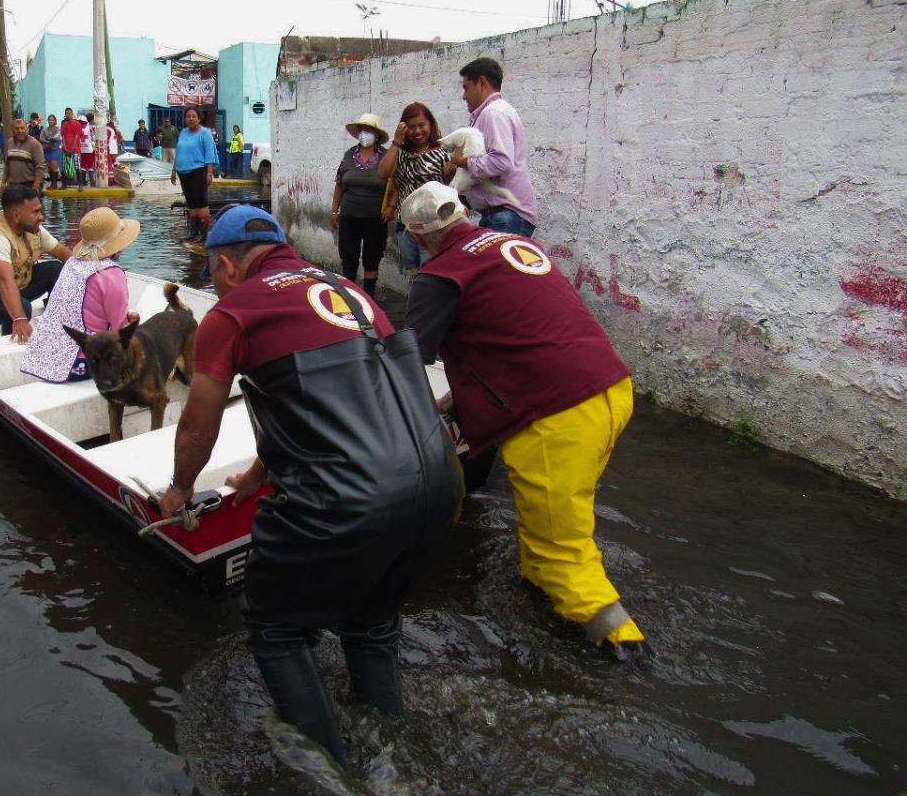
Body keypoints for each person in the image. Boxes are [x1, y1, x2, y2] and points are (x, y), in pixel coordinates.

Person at [156, 205, 463, 765]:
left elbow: (200, 422)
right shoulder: (351, 292)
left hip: (350, 499)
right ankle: (388, 749)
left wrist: (178, 489)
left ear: (226, 265)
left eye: (213, 276)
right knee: (370, 624)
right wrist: (256, 477)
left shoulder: (234, 314)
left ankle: (331, 771)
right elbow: (327, 407)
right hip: (437, 482)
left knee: (275, 627)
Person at [401, 181, 645, 656]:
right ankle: (537, 585)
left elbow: (408, 364)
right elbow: (514, 333)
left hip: (556, 415)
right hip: (608, 388)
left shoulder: (440, 276)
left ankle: (622, 648)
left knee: (564, 550)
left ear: (417, 236)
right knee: (552, 517)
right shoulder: (513, 244)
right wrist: (455, 401)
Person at [21, 207, 140, 382]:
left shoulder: (72, 263)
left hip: (44, 357)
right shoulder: (112, 274)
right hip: (81, 364)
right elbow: (120, 330)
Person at [0, 184, 74, 342]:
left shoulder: (32, 228)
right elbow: (5, 281)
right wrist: (19, 318)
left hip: (19, 285)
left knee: (57, 270)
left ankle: (57, 324)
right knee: (23, 308)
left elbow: (64, 254)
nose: (42, 217)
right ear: (15, 216)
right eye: (36, 212)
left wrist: (94, 278)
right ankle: (12, 343)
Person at [445, 57, 538, 237]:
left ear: (481, 82)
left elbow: (501, 161)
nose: (464, 95)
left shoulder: (493, 113)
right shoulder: (493, 112)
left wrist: (464, 162)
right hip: (503, 215)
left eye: (466, 88)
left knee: (497, 266)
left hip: (506, 215)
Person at [377, 102, 451, 283]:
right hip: (406, 226)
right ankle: (416, 309)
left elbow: (450, 187)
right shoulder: (401, 153)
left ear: (430, 125)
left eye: (422, 125)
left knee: (430, 274)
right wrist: (396, 141)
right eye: (411, 127)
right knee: (413, 275)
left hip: (433, 226)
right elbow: (383, 173)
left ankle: (429, 310)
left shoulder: (442, 152)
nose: (417, 131)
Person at [331, 113, 392, 302]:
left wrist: (391, 207)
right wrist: (335, 210)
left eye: (369, 130)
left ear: (376, 134)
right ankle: (349, 300)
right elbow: (340, 183)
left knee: (371, 259)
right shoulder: (349, 155)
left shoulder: (386, 156)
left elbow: (394, 183)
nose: (365, 133)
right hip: (350, 215)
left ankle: (369, 299)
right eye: (362, 130)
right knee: (349, 258)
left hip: (376, 217)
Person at [169, 107, 218, 241]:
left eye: (193, 116)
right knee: (191, 203)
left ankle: (204, 234)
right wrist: (173, 171)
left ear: (199, 118)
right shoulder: (183, 132)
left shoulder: (205, 133)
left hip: (198, 171)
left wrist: (209, 173)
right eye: (188, 117)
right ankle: (193, 232)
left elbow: (209, 154)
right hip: (183, 172)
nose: (190, 119)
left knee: (201, 203)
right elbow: (178, 152)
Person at [2, 118, 46, 195]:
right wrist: (3, 182)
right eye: (17, 128)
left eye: (22, 128)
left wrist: (36, 185)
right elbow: (7, 165)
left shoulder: (34, 144)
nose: (20, 131)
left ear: (27, 129)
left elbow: (40, 167)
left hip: (30, 184)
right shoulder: (10, 143)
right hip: (13, 184)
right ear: (12, 130)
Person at [39, 114, 63, 191]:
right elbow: (41, 138)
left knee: (54, 166)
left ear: (55, 121)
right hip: (47, 150)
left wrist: (48, 139)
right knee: (49, 167)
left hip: (55, 149)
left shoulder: (58, 129)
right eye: (49, 120)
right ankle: (52, 184)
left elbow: (56, 137)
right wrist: (49, 140)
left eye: (52, 120)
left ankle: (55, 184)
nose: (50, 121)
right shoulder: (45, 129)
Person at [60, 107, 82, 187]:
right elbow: (63, 137)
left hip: (75, 149)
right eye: (67, 114)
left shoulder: (77, 124)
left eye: (70, 113)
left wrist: (72, 148)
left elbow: (77, 136)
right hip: (65, 149)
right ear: (65, 115)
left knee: (77, 166)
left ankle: (80, 185)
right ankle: (64, 185)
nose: (68, 115)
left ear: (72, 114)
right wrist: (65, 147)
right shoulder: (64, 125)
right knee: (63, 166)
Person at [77, 114, 95, 190]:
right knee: (89, 166)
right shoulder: (89, 128)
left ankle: (84, 181)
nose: (81, 123)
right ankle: (92, 182)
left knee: (83, 166)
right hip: (88, 149)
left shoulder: (78, 128)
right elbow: (93, 138)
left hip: (82, 149)